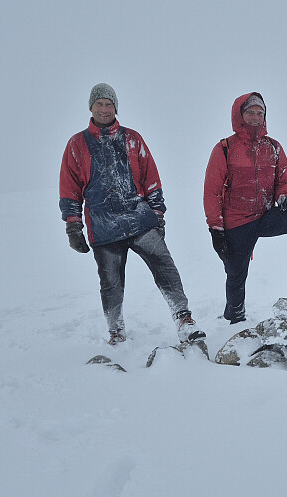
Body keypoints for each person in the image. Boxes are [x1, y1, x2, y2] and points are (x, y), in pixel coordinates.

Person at [60, 83, 204, 345]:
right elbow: (70, 189)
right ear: (90, 107)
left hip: (139, 219)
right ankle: (116, 331)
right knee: (111, 283)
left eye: (109, 104)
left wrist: (157, 213)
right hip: (103, 227)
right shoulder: (77, 144)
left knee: (165, 266)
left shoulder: (132, 138)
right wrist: (73, 226)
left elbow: (151, 179)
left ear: (116, 107)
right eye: (99, 104)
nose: (104, 109)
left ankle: (183, 319)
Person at [203, 92, 287, 324]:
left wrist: (283, 197)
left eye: (259, 113)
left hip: (266, 216)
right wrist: (216, 229)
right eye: (250, 112)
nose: (255, 117)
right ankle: (235, 317)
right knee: (235, 275)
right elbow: (212, 191)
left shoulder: (273, 147)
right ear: (239, 115)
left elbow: (284, 179)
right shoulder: (224, 148)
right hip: (237, 222)